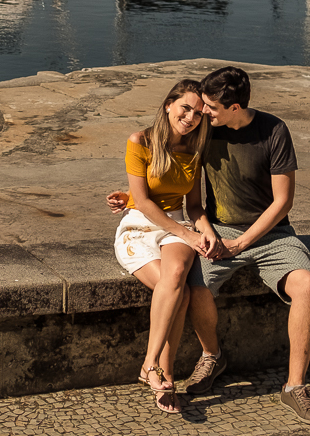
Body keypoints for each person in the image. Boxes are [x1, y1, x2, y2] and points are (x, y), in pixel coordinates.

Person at [180, 66, 310, 426]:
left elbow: (283, 202)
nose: (203, 113)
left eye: (211, 107)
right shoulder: (204, 132)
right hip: (218, 231)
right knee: (192, 283)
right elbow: (194, 204)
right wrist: (207, 232)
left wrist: (242, 242)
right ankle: (212, 355)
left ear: (234, 107)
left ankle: (295, 387)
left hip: (271, 234)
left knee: (306, 283)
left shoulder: (273, 130)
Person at [107, 79, 215, 414]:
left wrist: (205, 231)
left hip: (175, 225)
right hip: (140, 224)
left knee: (179, 272)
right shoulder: (139, 141)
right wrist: (186, 235)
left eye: (198, 113)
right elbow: (142, 200)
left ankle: (151, 367)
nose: (191, 117)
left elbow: (194, 206)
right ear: (169, 104)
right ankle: (161, 372)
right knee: (178, 294)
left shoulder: (195, 149)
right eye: (186, 108)